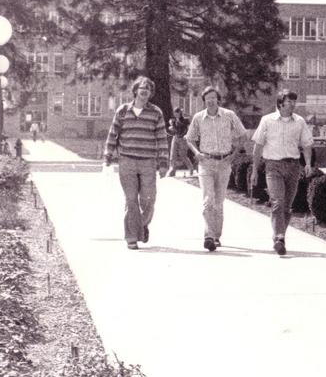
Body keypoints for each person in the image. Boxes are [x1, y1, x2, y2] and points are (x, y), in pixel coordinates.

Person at [103, 76, 169, 250]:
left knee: (149, 199)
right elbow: (113, 134)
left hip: (148, 162)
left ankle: (142, 224)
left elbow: (162, 138)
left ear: (150, 93)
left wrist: (163, 162)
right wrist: (108, 154)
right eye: (142, 87)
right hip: (127, 161)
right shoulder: (123, 111)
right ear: (135, 90)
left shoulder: (156, 112)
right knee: (131, 199)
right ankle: (131, 237)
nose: (145, 90)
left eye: (148, 88)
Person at [251, 90, 314, 255]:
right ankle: (280, 237)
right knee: (277, 202)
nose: (293, 104)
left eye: (294, 101)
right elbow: (257, 146)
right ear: (280, 103)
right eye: (289, 101)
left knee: (287, 207)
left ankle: (278, 235)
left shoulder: (299, 121)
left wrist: (307, 163)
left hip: (293, 166)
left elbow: (307, 144)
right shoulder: (267, 121)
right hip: (273, 166)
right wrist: (255, 171)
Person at [185, 87, 247, 252]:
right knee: (208, 200)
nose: (211, 100)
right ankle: (209, 236)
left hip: (224, 163)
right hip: (206, 162)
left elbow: (243, 135)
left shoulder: (229, 115)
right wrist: (197, 152)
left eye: (213, 98)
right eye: (208, 98)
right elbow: (189, 138)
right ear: (204, 101)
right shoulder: (198, 118)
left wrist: (233, 155)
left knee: (218, 203)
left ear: (218, 99)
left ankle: (217, 236)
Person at [166, 107, 194, 177]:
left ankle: (191, 168)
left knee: (183, 155)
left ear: (180, 113)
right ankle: (172, 170)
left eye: (177, 113)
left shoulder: (185, 120)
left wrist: (186, 136)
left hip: (183, 138)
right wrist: (171, 128)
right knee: (173, 155)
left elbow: (188, 129)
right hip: (175, 137)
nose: (176, 115)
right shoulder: (173, 121)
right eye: (175, 114)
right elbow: (173, 130)